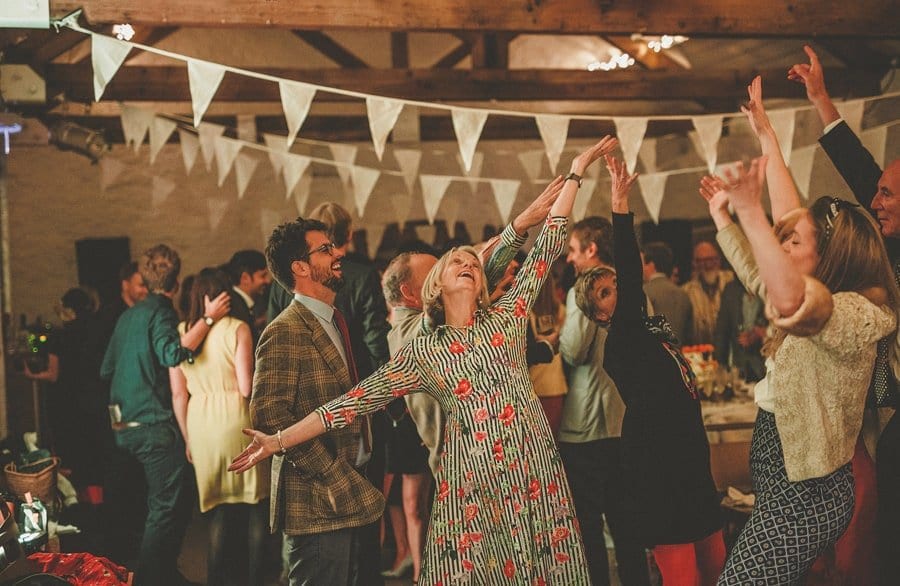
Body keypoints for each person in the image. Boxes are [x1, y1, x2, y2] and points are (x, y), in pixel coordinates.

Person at [231, 136, 621, 585]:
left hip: (533, 466)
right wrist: (278, 441)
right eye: (456, 262)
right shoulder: (421, 350)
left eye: (471, 264)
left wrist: (575, 171)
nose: (468, 264)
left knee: (543, 569)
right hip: (470, 479)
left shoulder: (508, 318)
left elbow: (551, 241)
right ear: (432, 287)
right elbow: (348, 405)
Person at [699, 134, 897, 584]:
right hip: (784, 488)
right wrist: (766, 137)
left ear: (829, 258)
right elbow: (763, 272)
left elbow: (795, 303)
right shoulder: (819, 289)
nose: (782, 248)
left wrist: (751, 212)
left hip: (803, 496)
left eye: (793, 243)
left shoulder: (855, 312)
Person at [574, 155, 725, 586]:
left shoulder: (650, 329)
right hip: (658, 473)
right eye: (605, 291)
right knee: (685, 579)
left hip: (690, 466)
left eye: (616, 284)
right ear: (599, 316)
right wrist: (619, 202)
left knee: (719, 571)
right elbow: (629, 266)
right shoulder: (622, 339)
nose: (617, 290)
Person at [789, 45, 900, 585]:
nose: (874, 202)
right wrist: (821, 101)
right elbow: (863, 172)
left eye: (886, 195)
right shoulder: (890, 249)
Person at [249, 216, 385, 586]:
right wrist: (334, 475)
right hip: (317, 498)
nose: (338, 253)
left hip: (348, 490)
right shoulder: (284, 330)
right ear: (300, 267)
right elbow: (270, 417)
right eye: (325, 249)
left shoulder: (334, 320)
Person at [100, 244, 230, 586]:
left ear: (144, 277)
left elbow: (107, 368)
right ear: (175, 283)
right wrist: (209, 319)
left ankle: (162, 574)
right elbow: (172, 352)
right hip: (153, 426)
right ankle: (148, 579)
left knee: (169, 503)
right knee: (167, 508)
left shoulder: (128, 316)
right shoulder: (161, 311)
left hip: (123, 425)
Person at [559, 215, 646, 586]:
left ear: (591, 250)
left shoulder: (584, 289)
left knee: (589, 525)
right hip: (627, 420)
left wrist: (556, 342)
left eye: (573, 250)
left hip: (587, 426)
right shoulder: (633, 284)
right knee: (628, 524)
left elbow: (575, 350)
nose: (569, 259)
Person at [169, 268, 269, 586]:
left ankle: (216, 579)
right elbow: (244, 387)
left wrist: (187, 438)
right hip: (235, 420)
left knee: (217, 509)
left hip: (200, 424)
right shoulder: (238, 329)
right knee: (254, 504)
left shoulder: (181, 332)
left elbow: (177, 394)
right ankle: (254, 580)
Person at [25, 288, 106, 492]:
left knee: (70, 454)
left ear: (68, 310)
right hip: (93, 399)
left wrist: (32, 375)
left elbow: (53, 374)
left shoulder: (59, 337)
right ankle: (95, 500)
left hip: (66, 401)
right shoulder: (97, 332)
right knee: (92, 453)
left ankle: (73, 501)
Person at [714, 279, 767, 382]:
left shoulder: (769, 286)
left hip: (763, 365)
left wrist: (761, 334)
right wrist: (719, 367)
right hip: (737, 367)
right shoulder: (731, 289)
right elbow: (722, 331)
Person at [682, 241, 733, 346]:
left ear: (718, 260)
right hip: (701, 353)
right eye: (701, 261)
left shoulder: (731, 281)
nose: (707, 264)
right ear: (694, 264)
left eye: (710, 259)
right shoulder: (686, 291)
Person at [642, 241, 693, 345]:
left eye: (642, 263)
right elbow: (690, 335)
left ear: (651, 265)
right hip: (679, 357)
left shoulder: (644, 292)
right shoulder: (683, 294)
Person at [226, 250, 271, 341]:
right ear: (245, 278)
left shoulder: (239, 303)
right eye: (262, 276)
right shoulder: (234, 308)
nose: (268, 281)